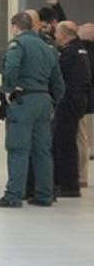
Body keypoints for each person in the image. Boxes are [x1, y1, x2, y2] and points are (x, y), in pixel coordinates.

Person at [0, 12, 66, 208]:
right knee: (42, 151)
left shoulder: (18, 44)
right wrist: (53, 102)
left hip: (23, 102)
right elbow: (58, 82)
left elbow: (12, 67)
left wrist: (8, 90)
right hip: (44, 101)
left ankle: (13, 195)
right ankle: (44, 195)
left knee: (18, 149)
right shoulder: (47, 47)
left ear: (16, 27)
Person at [52, 22, 92, 198]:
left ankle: (68, 185)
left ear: (65, 35)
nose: (55, 37)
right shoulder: (80, 50)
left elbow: (62, 79)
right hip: (77, 103)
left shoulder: (70, 54)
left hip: (69, 104)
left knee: (65, 145)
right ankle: (68, 182)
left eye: (57, 34)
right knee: (69, 143)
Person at [79, 23, 94, 188]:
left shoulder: (87, 52)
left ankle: (82, 176)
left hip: (86, 103)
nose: (78, 30)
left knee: (83, 139)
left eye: (82, 28)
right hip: (86, 102)